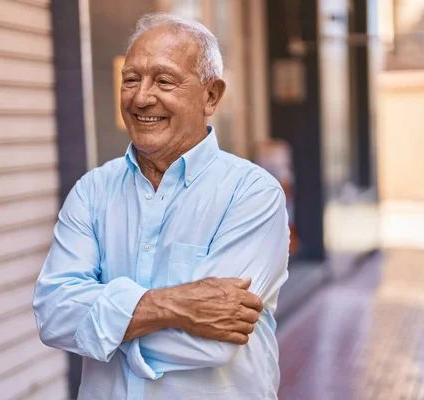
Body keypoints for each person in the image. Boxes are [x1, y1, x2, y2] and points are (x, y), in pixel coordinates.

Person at [33, 12, 289, 400]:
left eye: (164, 81)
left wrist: (101, 327)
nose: (141, 97)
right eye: (130, 79)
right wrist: (174, 306)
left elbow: (212, 344)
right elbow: (53, 315)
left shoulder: (252, 194)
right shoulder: (92, 191)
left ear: (211, 95)